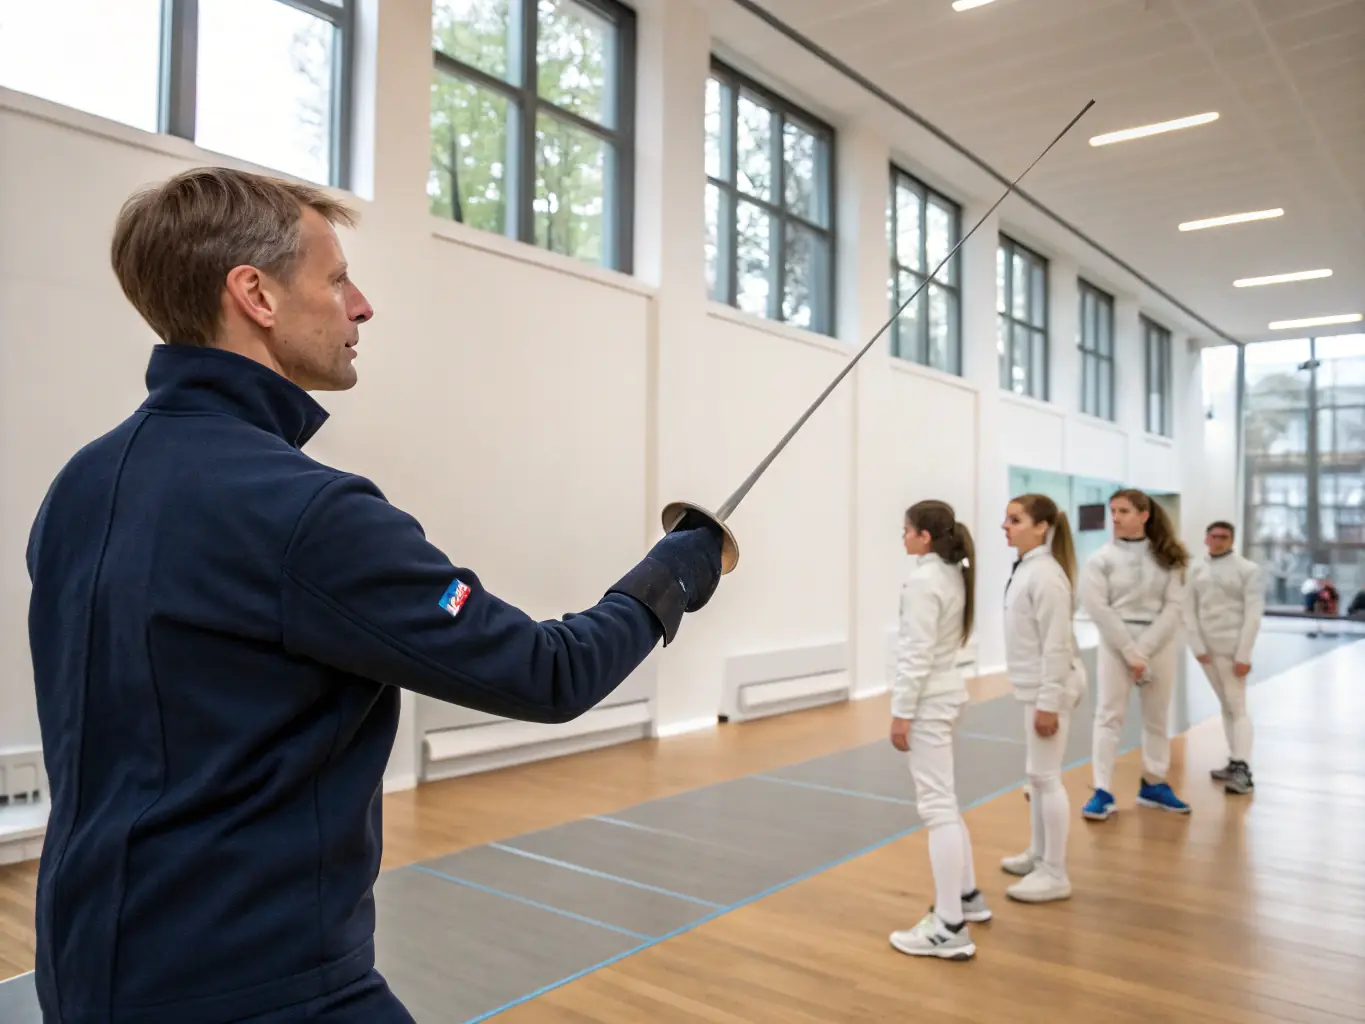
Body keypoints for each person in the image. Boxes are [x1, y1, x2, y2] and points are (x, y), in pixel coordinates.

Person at [24, 167, 727, 1023]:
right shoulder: (305, 512)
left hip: (80, 966)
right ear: (256, 295)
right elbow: (548, 674)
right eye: (335, 278)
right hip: (259, 987)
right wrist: (679, 567)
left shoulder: (82, 485)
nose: (361, 306)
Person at [887, 500, 990, 961]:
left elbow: (916, 653)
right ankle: (967, 896)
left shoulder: (925, 581)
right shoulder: (949, 573)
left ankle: (949, 925)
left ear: (924, 536)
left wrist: (901, 712)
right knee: (946, 803)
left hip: (929, 702)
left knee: (937, 810)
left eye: (906, 530)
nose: (902, 537)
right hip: (948, 694)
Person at [1077, 488, 1191, 820]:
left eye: (1124, 511)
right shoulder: (1100, 559)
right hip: (1116, 644)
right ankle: (1102, 790)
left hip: (1159, 643)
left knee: (1157, 717)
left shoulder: (1170, 557)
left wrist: (1144, 650)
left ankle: (1154, 783)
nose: (1115, 517)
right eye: (1112, 511)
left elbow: (1174, 606)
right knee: (1108, 716)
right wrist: (1129, 650)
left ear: (1144, 515)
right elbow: (1097, 607)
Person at [999, 494, 1087, 902]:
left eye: (1015, 520)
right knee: (1036, 776)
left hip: (1049, 688)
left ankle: (1055, 872)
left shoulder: (1047, 576)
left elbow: (1057, 646)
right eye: (1007, 519)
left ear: (1042, 527)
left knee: (1047, 779)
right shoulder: (1028, 569)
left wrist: (1049, 701)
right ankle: (1039, 854)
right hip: (1033, 687)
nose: (1006, 526)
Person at [1184, 520, 1263, 796]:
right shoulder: (1195, 569)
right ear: (1206, 538)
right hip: (1208, 651)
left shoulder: (1247, 570)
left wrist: (1244, 653)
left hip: (1233, 651)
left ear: (1232, 539)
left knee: (1237, 707)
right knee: (1226, 706)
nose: (1218, 541)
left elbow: (1253, 614)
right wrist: (1197, 647)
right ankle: (1234, 760)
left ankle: (1243, 768)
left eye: (1224, 537)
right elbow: (1188, 609)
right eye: (1213, 536)